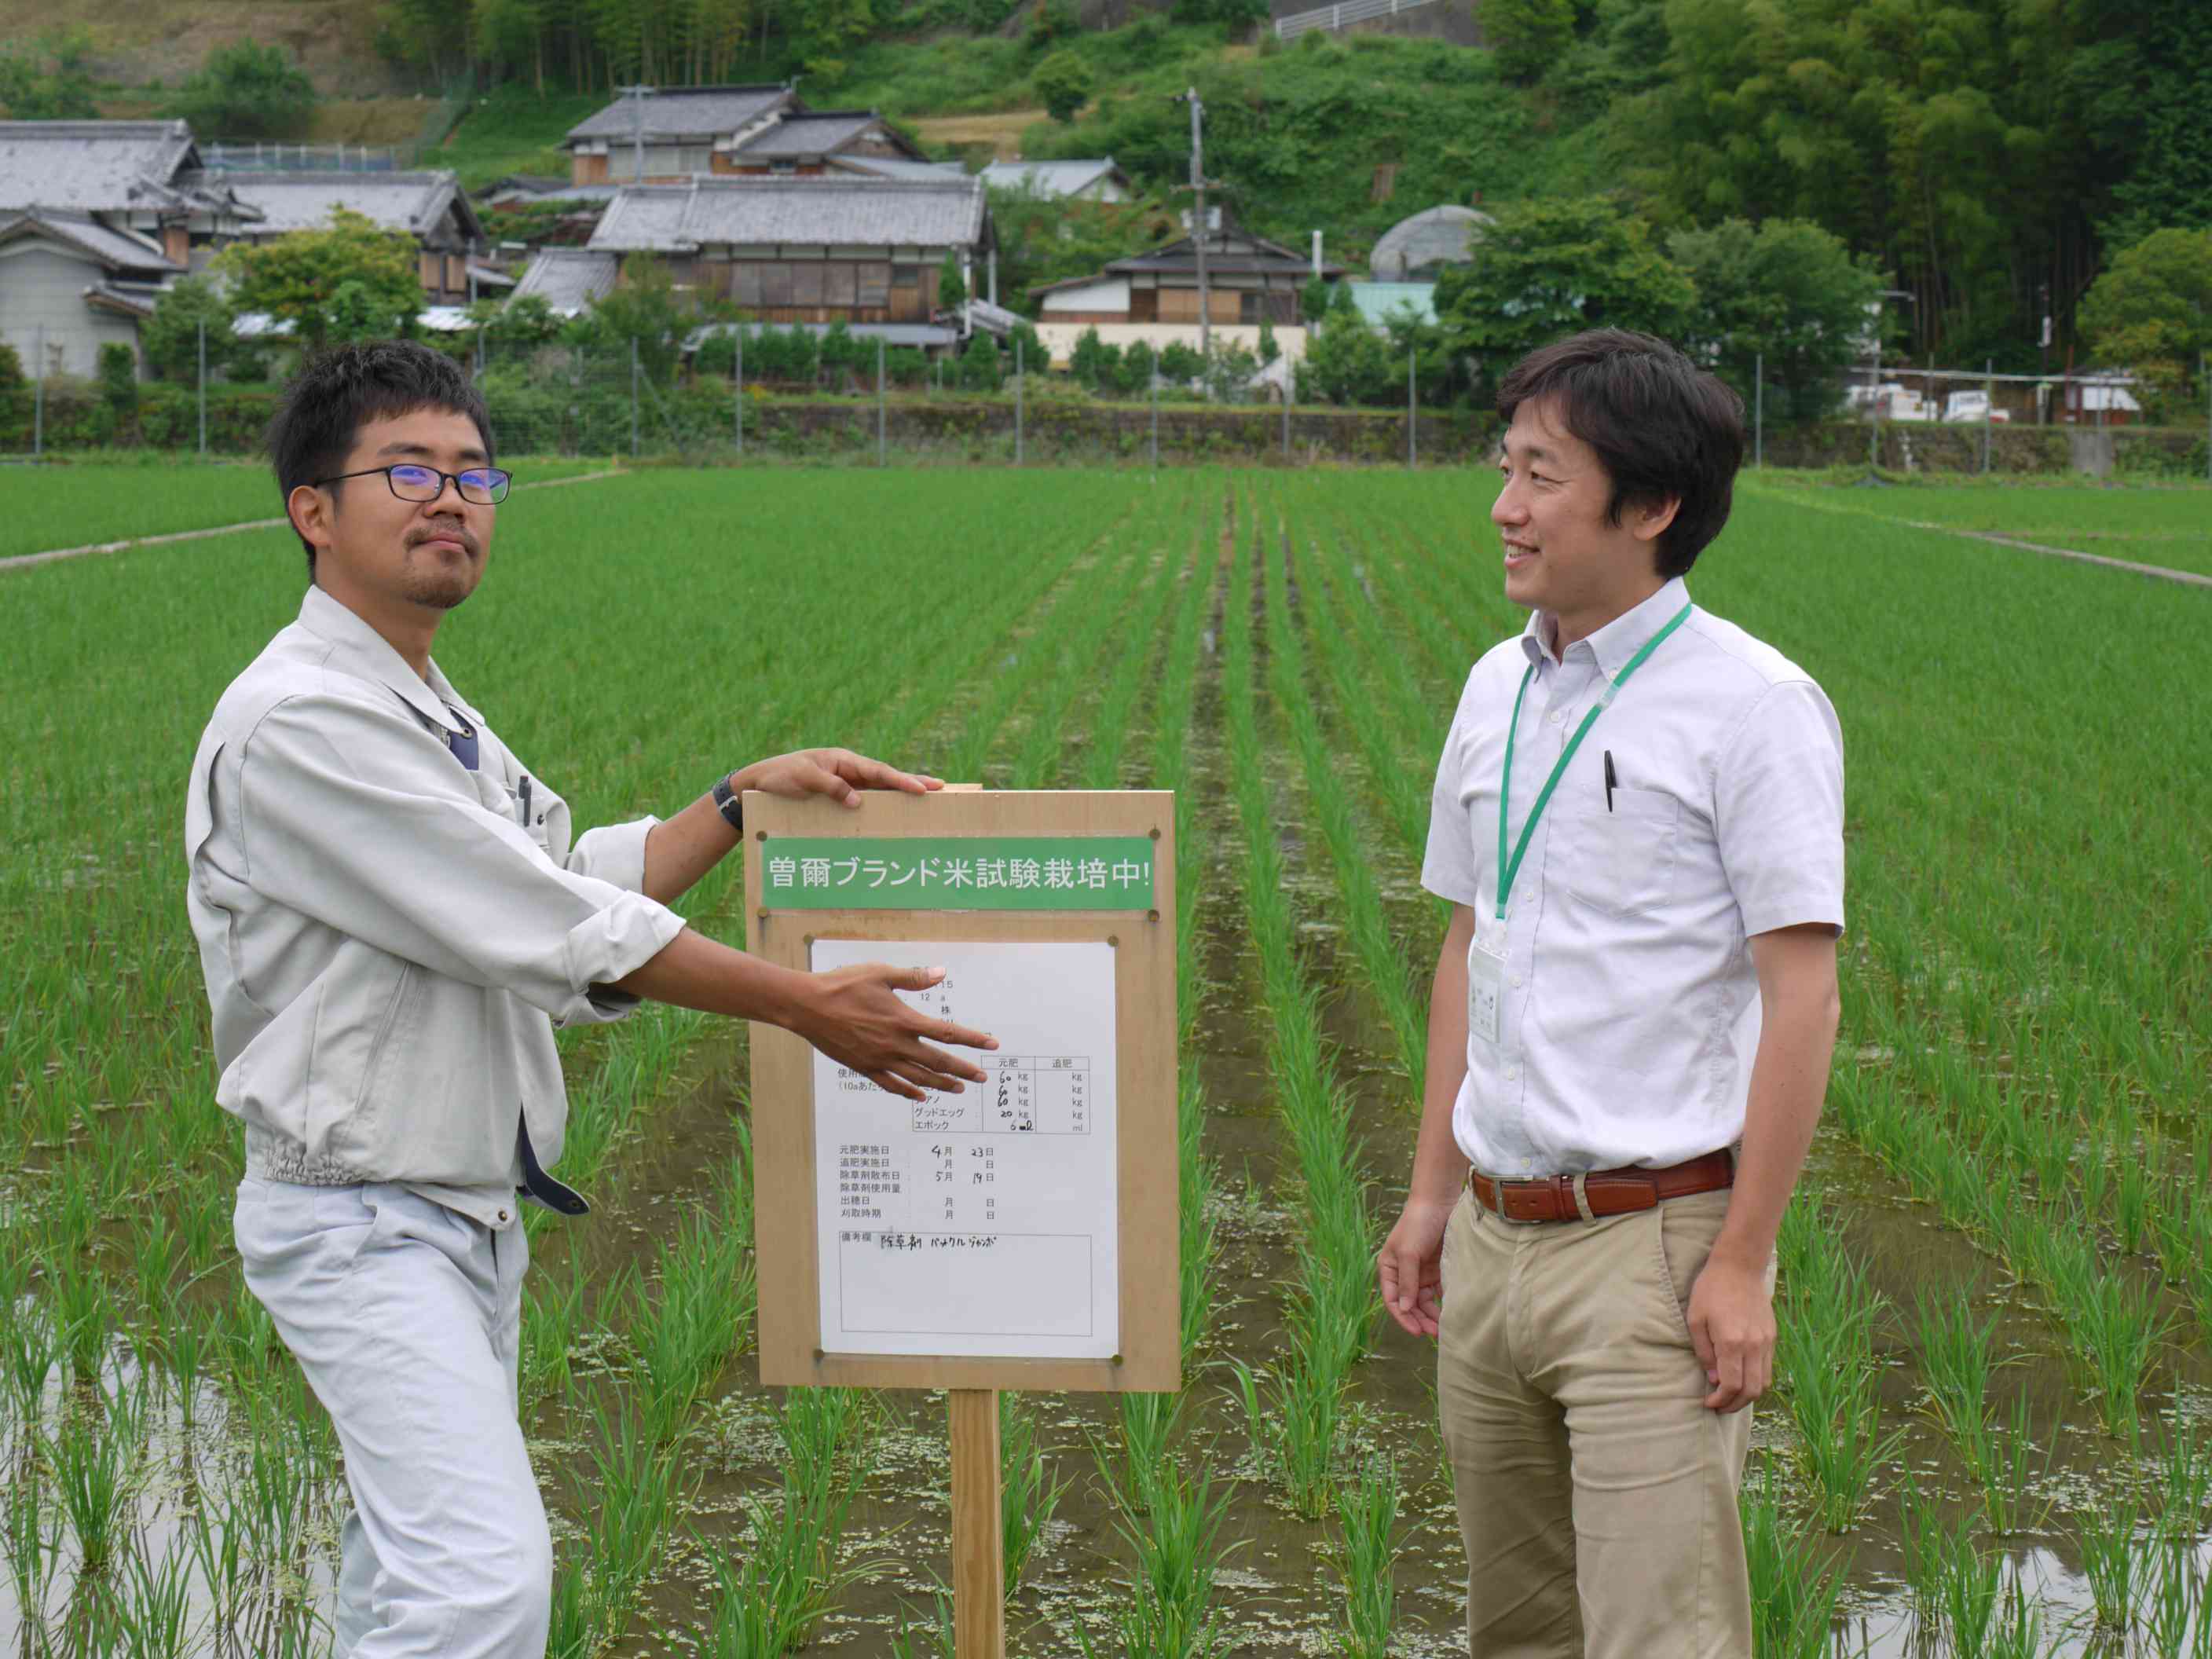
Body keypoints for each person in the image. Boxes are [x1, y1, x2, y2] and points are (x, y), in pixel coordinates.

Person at [185, 339, 995, 1657]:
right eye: (408, 470)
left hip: (455, 1217)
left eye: (473, 473)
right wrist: (803, 1006)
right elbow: (554, 926)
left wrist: (736, 803)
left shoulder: (426, 706)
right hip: (363, 1220)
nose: (452, 499)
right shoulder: (302, 723)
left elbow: (552, 882)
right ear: (313, 512)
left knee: (399, 1586)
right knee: (479, 1591)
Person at [1375, 328, 1845, 1658]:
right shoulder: (1495, 685)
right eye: (1506, 467)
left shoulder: (1753, 705)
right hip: (1492, 1235)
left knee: (1659, 1637)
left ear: (1650, 508)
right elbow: (1474, 944)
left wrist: (1742, 1260)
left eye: (1540, 475)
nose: (1504, 507)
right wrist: (1427, 1197)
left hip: (1653, 1249)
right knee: (1516, 1631)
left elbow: (1800, 998)